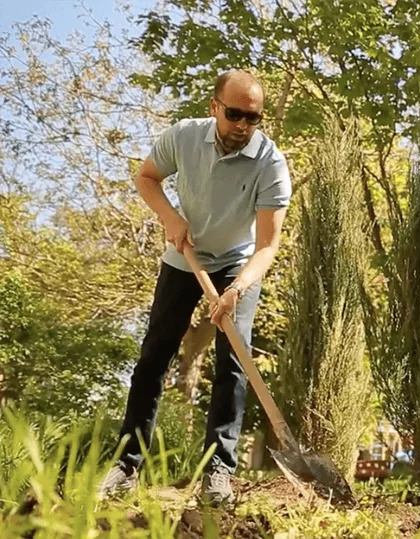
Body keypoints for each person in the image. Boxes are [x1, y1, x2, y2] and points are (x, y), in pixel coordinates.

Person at [98, 69, 292, 505]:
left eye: (253, 117)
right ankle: (126, 467)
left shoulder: (270, 163)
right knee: (153, 358)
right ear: (214, 107)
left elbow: (267, 246)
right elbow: (146, 177)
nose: (243, 125)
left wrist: (236, 290)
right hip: (182, 259)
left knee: (233, 366)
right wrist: (170, 217)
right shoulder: (183, 137)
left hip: (238, 267)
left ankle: (218, 472)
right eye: (235, 114)